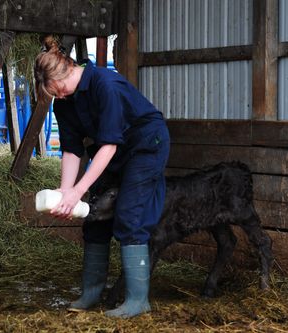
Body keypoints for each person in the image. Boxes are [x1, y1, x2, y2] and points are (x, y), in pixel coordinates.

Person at [33, 36, 170, 318]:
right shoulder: (64, 102)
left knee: (129, 215)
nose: (57, 95)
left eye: (56, 89)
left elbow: (108, 144)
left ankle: (137, 300)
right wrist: (65, 192)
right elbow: (71, 150)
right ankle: (91, 293)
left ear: (65, 71)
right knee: (95, 213)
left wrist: (79, 189)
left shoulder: (104, 85)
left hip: (145, 145)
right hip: (114, 151)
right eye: (53, 94)